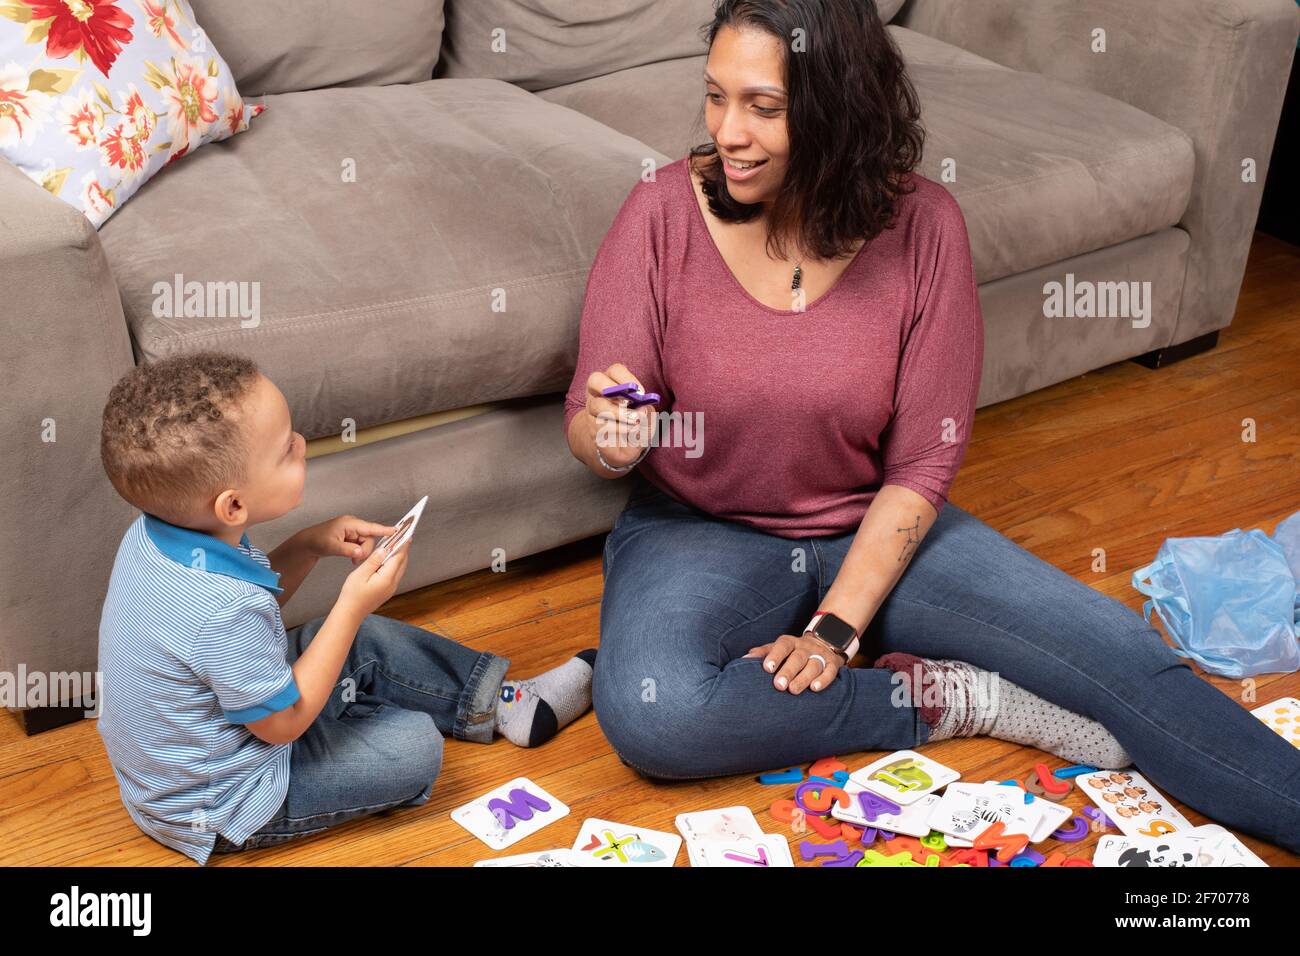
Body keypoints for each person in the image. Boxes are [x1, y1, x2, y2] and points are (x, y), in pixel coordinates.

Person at [563, 0, 1300, 853]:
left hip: (878, 523)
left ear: (838, 105)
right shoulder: (660, 210)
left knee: (1115, 650)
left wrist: (837, 629)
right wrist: (609, 437)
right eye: (715, 97)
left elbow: (920, 465)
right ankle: (953, 699)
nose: (728, 131)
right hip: (698, 529)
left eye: (763, 107)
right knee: (659, 716)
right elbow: (591, 417)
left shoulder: (925, 226)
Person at [97, 352, 595, 864]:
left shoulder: (160, 534)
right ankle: (395, 712)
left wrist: (309, 545)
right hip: (228, 801)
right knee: (415, 746)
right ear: (233, 506)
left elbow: (247, 612)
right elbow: (283, 723)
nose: (302, 445)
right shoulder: (219, 609)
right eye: (285, 448)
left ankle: (507, 704)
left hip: (196, 753)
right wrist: (349, 607)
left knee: (367, 641)